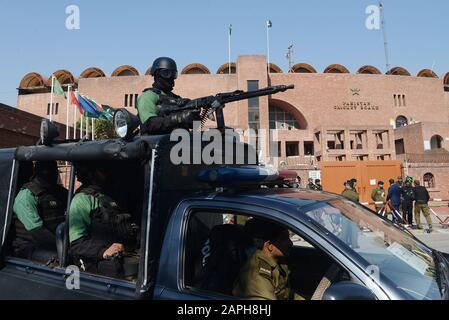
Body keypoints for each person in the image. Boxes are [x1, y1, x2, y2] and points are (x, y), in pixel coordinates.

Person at [68, 162, 139, 278]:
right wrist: (103, 251)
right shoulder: (82, 200)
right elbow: (77, 244)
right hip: (95, 260)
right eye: (102, 171)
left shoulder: (112, 196)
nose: (108, 174)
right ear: (91, 174)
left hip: (125, 253)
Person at [232, 218, 302, 300]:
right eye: (284, 239)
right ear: (270, 246)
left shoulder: (279, 263)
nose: (290, 243)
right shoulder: (257, 275)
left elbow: (287, 294)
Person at [12, 161, 67, 262]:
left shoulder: (62, 193)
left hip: (58, 243)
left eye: (54, 171)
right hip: (30, 247)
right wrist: (65, 246)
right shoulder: (27, 196)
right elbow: (38, 233)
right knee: (64, 260)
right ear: (37, 173)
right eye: (47, 172)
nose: (52, 175)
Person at [137, 57, 201, 135]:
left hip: (179, 144)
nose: (171, 77)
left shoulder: (177, 99)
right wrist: (179, 118)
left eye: (173, 74)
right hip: (154, 144)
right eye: (166, 73)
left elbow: (194, 126)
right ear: (156, 74)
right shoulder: (148, 96)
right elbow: (150, 124)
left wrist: (194, 117)